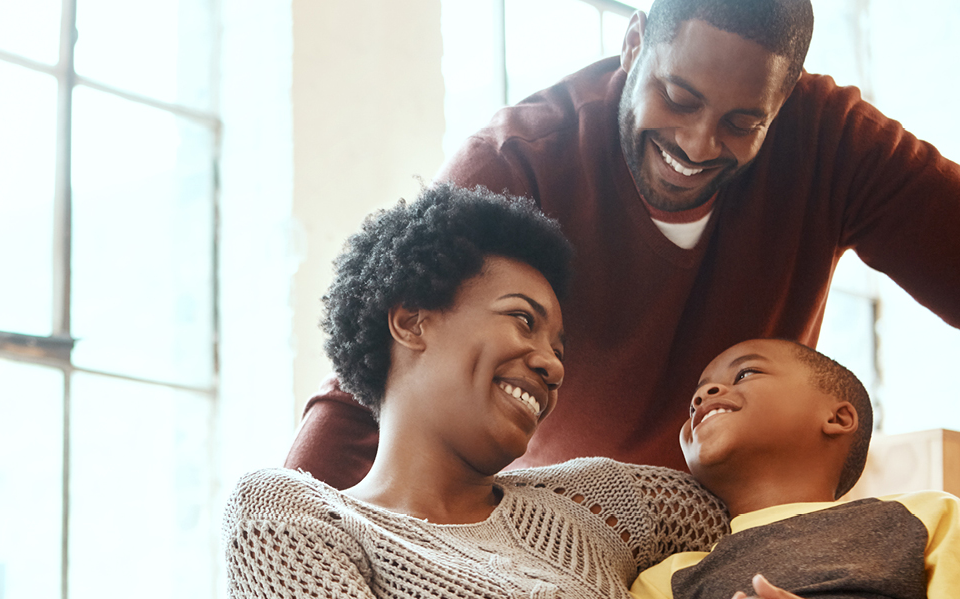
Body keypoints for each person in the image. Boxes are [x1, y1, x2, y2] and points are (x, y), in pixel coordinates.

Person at [286, 0, 960, 483]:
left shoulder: (833, 143)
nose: (698, 144)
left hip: (729, 539)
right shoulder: (515, 164)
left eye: (740, 122)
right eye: (678, 96)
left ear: (783, 105)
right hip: (548, 534)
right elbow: (374, 380)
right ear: (632, 43)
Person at [216, 184, 842, 599]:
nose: (550, 364)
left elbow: (791, 506)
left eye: (559, 347)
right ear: (411, 321)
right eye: (523, 320)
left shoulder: (599, 499)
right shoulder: (285, 512)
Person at [628, 338, 960, 599]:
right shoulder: (666, 578)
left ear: (838, 418)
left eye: (745, 374)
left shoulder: (928, 514)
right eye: (693, 403)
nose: (703, 395)